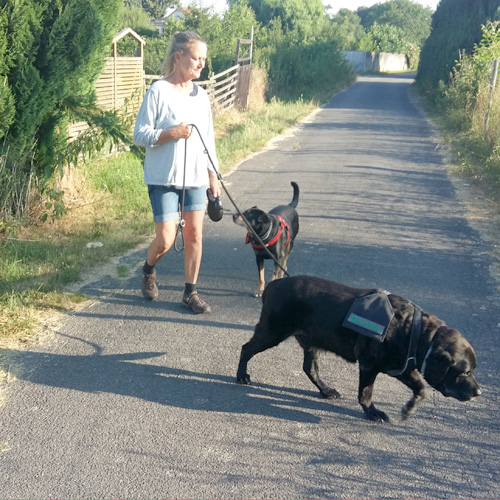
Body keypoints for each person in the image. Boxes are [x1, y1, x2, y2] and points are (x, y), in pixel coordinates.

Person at [133, 31, 220, 314]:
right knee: (167, 239)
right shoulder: (158, 90)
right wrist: (171, 133)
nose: (201, 64)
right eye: (197, 58)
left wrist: (213, 176)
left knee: (195, 235)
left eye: (204, 59)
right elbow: (139, 134)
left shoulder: (202, 97)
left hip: (194, 176)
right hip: (163, 178)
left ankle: (190, 293)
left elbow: (208, 139)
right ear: (178, 57)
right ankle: (148, 269)